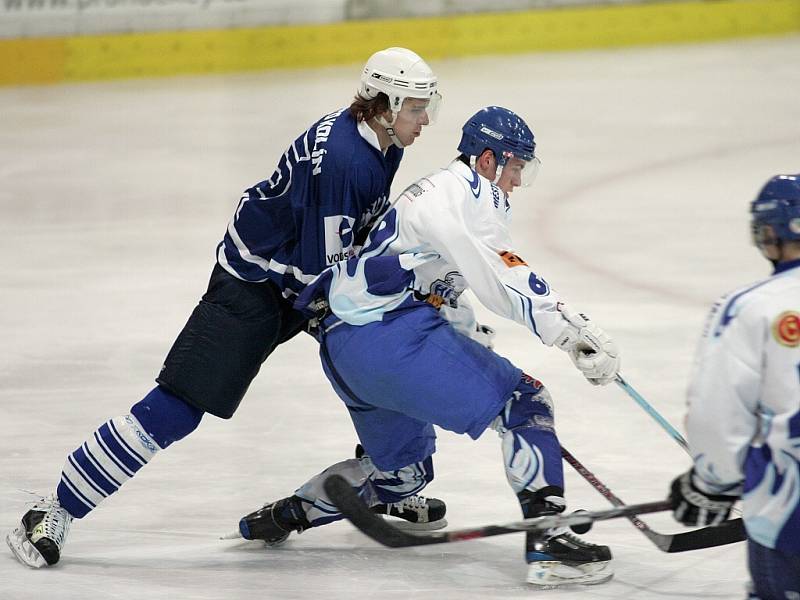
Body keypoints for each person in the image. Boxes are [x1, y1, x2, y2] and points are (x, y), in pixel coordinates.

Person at [6, 47, 447, 569]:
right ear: (388, 102)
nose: (425, 120)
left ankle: (388, 483)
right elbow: (328, 274)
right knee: (178, 405)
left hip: (305, 275)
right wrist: (403, 287)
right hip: (256, 284)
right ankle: (55, 507)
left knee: (383, 362)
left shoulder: (380, 139)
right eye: (418, 108)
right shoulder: (349, 160)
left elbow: (346, 243)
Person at [235, 106, 622, 588]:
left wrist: (465, 332)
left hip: (347, 350)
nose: (519, 181)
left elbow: (437, 280)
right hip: (388, 337)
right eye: (517, 166)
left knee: (404, 477)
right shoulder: (455, 198)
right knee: (524, 401)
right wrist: (572, 331)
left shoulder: (443, 195)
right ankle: (548, 541)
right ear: (487, 160)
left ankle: (285, 515)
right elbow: (501, 276)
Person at [669, 174, 800, 600]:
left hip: (788, 514)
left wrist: (713, 483)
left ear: (767, 232)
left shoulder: (751, 307)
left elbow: (718, 414)